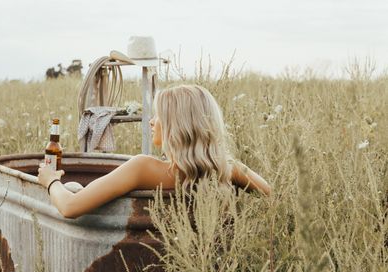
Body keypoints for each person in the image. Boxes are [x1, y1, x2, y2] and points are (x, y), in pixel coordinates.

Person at [38, 84, 271, 219]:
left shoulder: (144, 168)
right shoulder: (226, 168)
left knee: (72, 188)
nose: (151, 121)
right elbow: (269, 194)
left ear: (177, 126)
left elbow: (69, 207)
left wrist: (51, 181)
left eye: (159, 115)